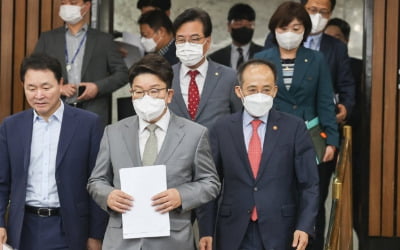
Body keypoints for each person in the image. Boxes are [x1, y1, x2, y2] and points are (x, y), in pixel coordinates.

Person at [87, 54, 220, 250]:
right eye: (138, 92)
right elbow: (96, 181)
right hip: (122, 240)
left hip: (172, 240)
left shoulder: (195, 134)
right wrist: (108, 195)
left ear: (169, 95)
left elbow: (211, 183)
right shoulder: (113, 132)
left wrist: (181, 195)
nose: (145, 98)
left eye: (154, 91)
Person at [197, 59, 319, 250]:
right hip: (233, 230)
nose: (260, 95)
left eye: (266, 89)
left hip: (281, 230)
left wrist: (304, 226)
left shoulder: (294, 128)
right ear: (239, 92)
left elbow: (309, 184)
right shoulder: (221, 129)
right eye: (252, 89)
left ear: (275, 91)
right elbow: (209, 183)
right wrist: (205, 230)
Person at [0, 53, 108, 250]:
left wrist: (96, 234)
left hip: (71, 228)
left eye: (46, 87)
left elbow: (99, 182)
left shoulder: (88, 124)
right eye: (31, 88)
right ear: (22, 85)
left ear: (60, 84)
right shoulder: (11, 126)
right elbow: (2, 182)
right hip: (24, 228)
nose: (38, 95)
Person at [256, 4, 340, 248]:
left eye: (296, 28)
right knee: (276, 196)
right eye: (284, 27)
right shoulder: (262, 59)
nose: (290, 33)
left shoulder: (316, 59)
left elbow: (325, 101)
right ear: (275, 29)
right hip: (272, 136)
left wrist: (332, 140)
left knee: (310, 198)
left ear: (305, 30)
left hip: (310, 137)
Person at [34, 0, 128, 125]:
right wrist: (57, 88)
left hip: (93, 112)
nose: (67, 7)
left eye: (73, 3)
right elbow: (34, 73)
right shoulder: (48, 38)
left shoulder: (104, 40)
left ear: (86, 6)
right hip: (55, 110)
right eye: (63, 3)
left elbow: (123, 74)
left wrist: (97, 87)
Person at [169, 8, 242, 131]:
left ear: (207, 42)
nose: (187, 45)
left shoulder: (229, 77)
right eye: (181, 40)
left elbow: (239, 118)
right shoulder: (165, 77)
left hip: (216, 149)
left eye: (194, 39)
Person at [324, 17, 363, 237]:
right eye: (328, 37)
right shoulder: (316, 63)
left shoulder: (358, 67)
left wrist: (345, 114)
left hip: (351, 141)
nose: (332, 42)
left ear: (345, 41)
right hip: (322, 141)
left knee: (351, 200)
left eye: (336, 37)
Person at [208, 3, 263, 70]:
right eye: (239, 24)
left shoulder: (266, 55)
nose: (244, 28)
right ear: (229, 26)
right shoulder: (214, 59)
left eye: (249, 25)